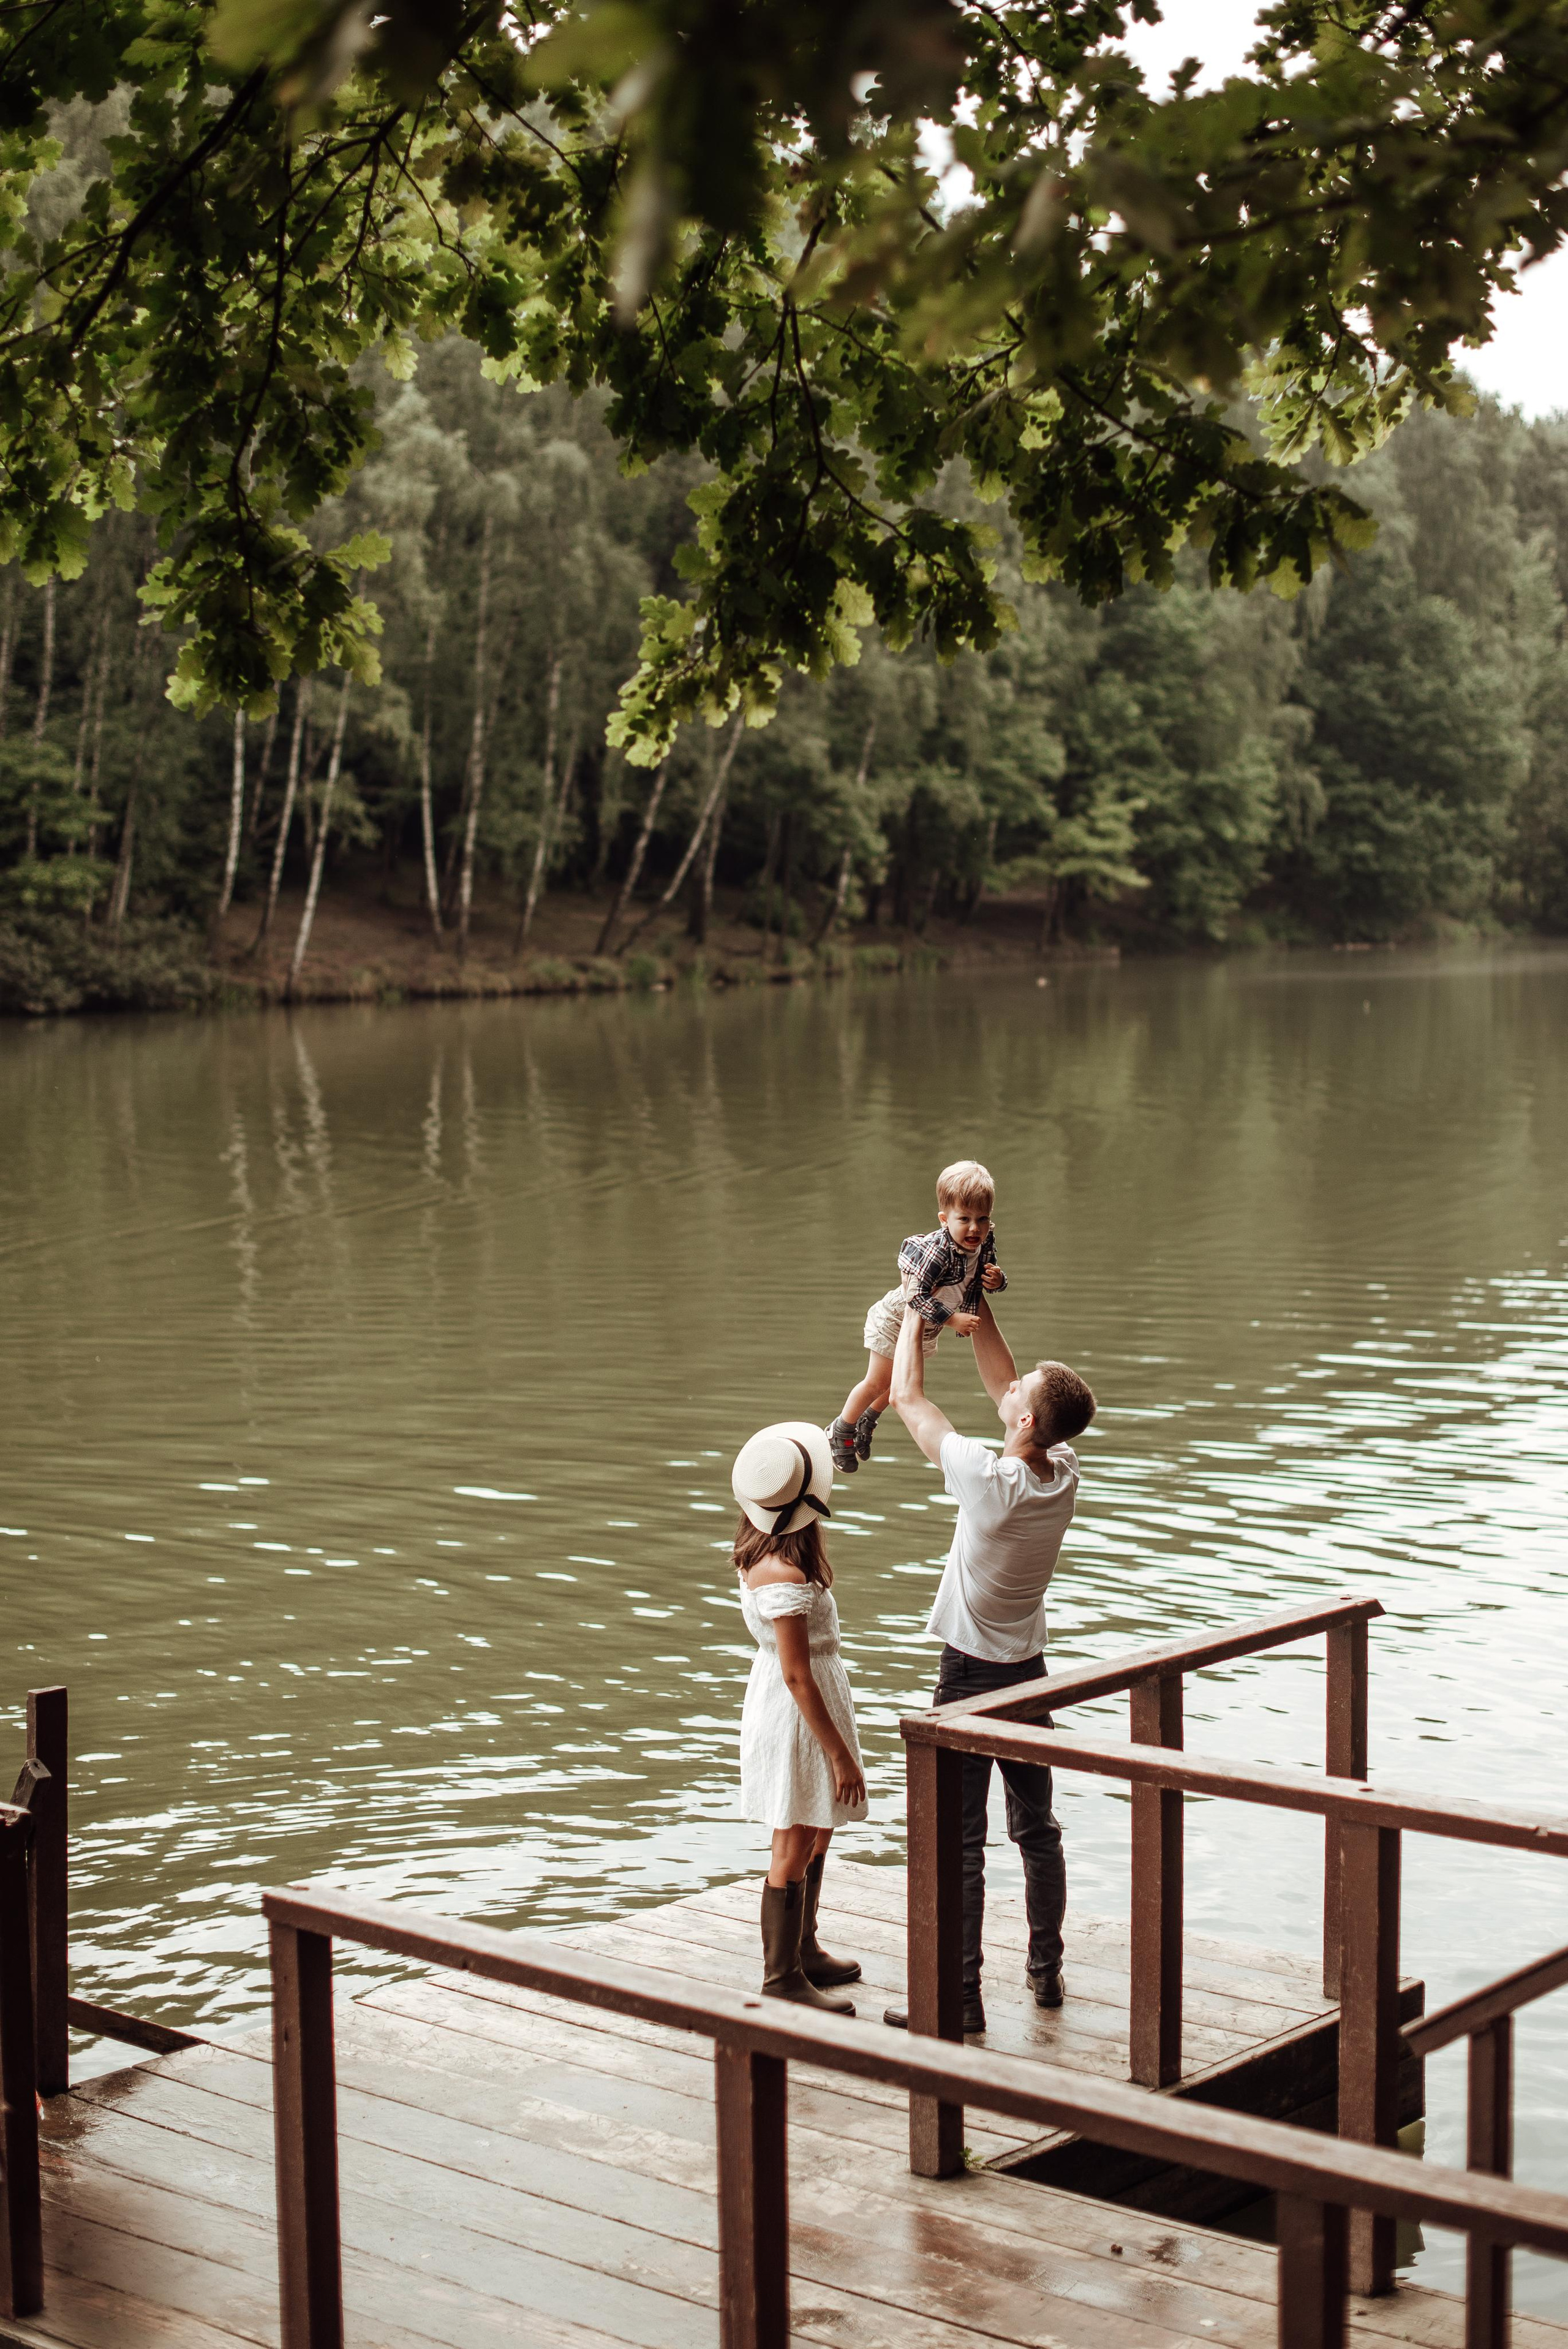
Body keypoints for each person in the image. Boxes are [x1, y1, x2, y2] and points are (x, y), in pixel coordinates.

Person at [881, 1298, 1095, 2036]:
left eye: (1018, 1394)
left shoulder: (987, 1481)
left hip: (969, 1678)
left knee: (960, 1843)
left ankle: (959, 1999)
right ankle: (1045, 1974)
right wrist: (979, 1308)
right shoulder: (1061, 1471)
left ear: (1026, 1422)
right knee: (1036, 1830)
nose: (1007, 1389)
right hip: (1031, 1673)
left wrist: (913, 1311)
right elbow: (1010, 1387)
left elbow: (907, 1397)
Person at [732, 1420, 869, 2013]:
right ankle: (779, 1975)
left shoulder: (760, 1553)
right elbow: (795, 1674)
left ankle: (804, 1949)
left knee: (817, 1824)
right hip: (795, 1710)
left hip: (801, 1700)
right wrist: (839, 1752)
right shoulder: (783, 1577)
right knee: (791, 1835)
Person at [826, 1158, 1008, 1476]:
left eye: (982, 1219)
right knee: (879, 1380)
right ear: (944, 1218)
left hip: (928, 1327)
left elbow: (983, 1277)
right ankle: (841, 1430)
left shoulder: (984, 1240)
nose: (974, 1228)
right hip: (899, 1318)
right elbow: (915, 1297)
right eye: (964, 1218)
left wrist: (998, 1280)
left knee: (900, 1381)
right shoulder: (938, 1252)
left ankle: (869, 1418)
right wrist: (953, 1320)